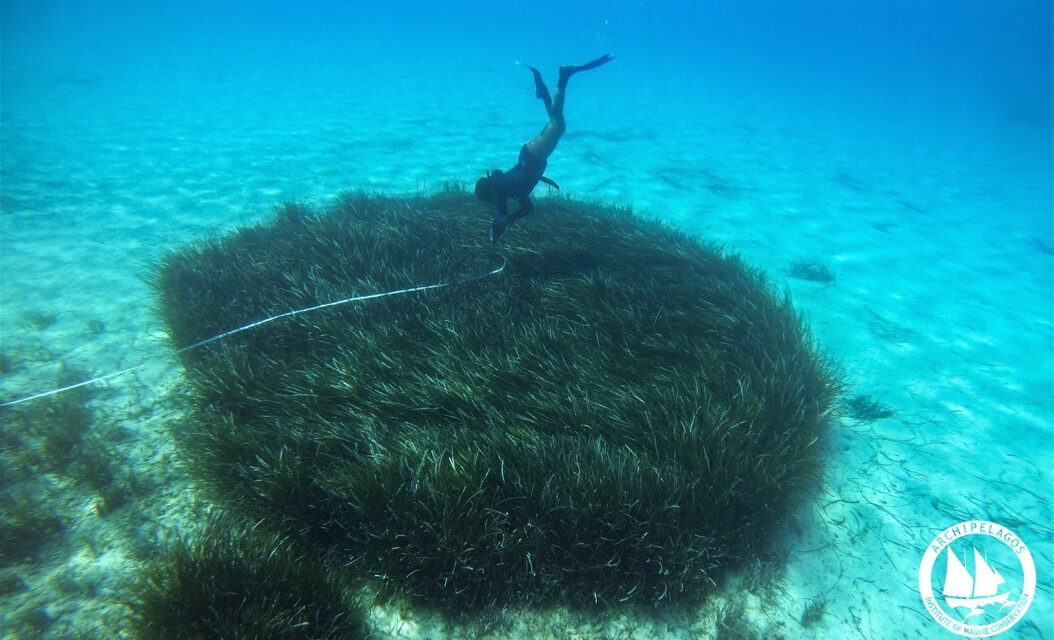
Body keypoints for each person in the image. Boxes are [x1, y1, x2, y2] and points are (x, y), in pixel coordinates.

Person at [475, 54, 613, 242]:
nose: (492, 203)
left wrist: (508, 221)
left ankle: (564, 76)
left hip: (533, 156)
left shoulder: (503, 191)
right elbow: (510, 192)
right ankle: (543, 88)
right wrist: (506, 221)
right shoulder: (500, 190)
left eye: (488, 199)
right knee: (556, 123)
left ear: (490, 193)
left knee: (558, 124)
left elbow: (525, 206)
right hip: (530, 156)